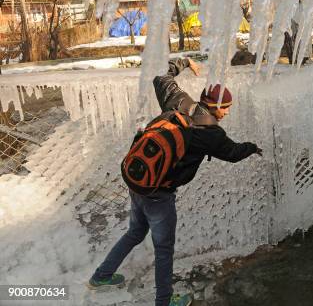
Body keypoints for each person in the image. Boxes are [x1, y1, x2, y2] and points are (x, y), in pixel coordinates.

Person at [87, 57, 262, 306]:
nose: (227, 113)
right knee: (164, 248)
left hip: (138, 181)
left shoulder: (179, 101)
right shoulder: (210, 132)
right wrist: (252, 147)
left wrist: (185, 62)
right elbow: (233, 153)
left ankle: (101, 276)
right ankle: (164, 301)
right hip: (160, 193)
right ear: (214, 106)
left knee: (136, 232)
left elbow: (162, 76)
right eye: (226, 108)